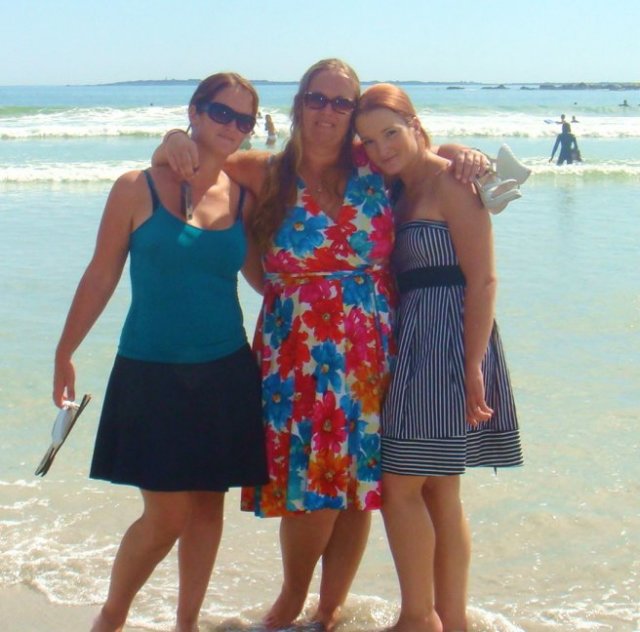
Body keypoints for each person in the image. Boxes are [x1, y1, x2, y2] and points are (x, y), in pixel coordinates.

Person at [153, 58, 488, 631]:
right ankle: (291, 598)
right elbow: (189, 162)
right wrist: (170, 139)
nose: (327, 111)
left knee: (358, 487)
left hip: (375, 346)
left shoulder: (374, 167)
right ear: (299, 103)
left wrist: (463, 152)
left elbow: (423, 158)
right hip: (297, 350)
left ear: (354, 113)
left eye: (341, 102)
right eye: (317, 98)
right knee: (309, 490)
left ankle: (329, 608)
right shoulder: (262, 171)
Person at [53, 72, 268, 632]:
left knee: (208, 507)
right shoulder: (135, 187)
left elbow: (264, 280)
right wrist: (65, 350)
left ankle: (186, 623)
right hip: (151, 372)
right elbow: (101, 275)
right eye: (221, 112)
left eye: (244, 120)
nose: (232, 126)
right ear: (194, 112)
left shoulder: (243, 197)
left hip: (225, 371)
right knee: (166, 515)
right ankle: (112, 616)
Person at [354, 83, 523, 632]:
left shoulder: (452, 182)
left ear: (414, 125)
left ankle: (416, 617)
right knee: (439, 488)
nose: (381, 149)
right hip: (416, 339)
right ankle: (450, 618)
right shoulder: (398, 188)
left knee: (400, 485)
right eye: (369, 140)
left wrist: (473, 365)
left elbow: (484, 279)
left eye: (390, 133)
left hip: (448, 342)